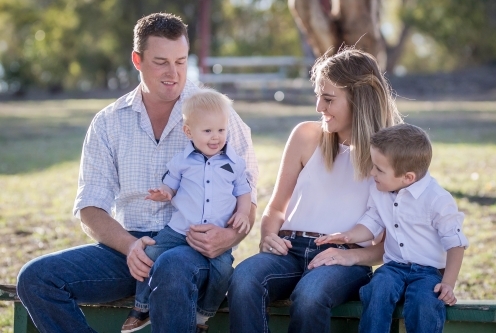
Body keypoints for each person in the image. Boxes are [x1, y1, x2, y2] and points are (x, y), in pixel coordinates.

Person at [16, 12, 258, 333]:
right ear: (137, 60)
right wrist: (129, 246)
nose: (174, 73)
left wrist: (229, 237)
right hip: (127, 249)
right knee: (36, 278)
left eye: (181, 61)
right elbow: (90, 206)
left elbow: (248, 194)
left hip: (192, 248)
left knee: (170, 265)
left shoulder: (216, 113)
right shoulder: (109, 122)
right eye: (161, 62)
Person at [227, 47, 403, 333]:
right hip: (289, 249)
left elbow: (392, 243)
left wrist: (352, 257)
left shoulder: (389, 157)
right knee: (245, 278)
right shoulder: (305, 136)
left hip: (343, 258)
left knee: (310, 296)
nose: (319, 107)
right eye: (318, 96)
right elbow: (276, 207)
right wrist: (268, 236)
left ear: (360, 101)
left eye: (329, 99)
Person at [315, 123, 468, 333]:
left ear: (408, 177)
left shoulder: (438, 200)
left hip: (428, 272)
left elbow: (456, 244)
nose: (371, 172)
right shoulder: (379, 191)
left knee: (425, 302)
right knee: (376, 290)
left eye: (379, 169)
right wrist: (348, 236)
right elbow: (372, 221)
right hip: (394, 267)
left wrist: (448, 283)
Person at [121, 88, 252, 333]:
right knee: (148, 254)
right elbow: (170, 185)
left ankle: (203, 315)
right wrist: (164, 194)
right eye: (207, 131)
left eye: (221, 130)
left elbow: (243, 192)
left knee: (223, 272)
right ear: (188, 132)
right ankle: (141, 307)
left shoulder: (233, 164)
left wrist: (243, 213)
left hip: (216, 234)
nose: (216, 137)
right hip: (179, 229)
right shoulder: (183, 161)